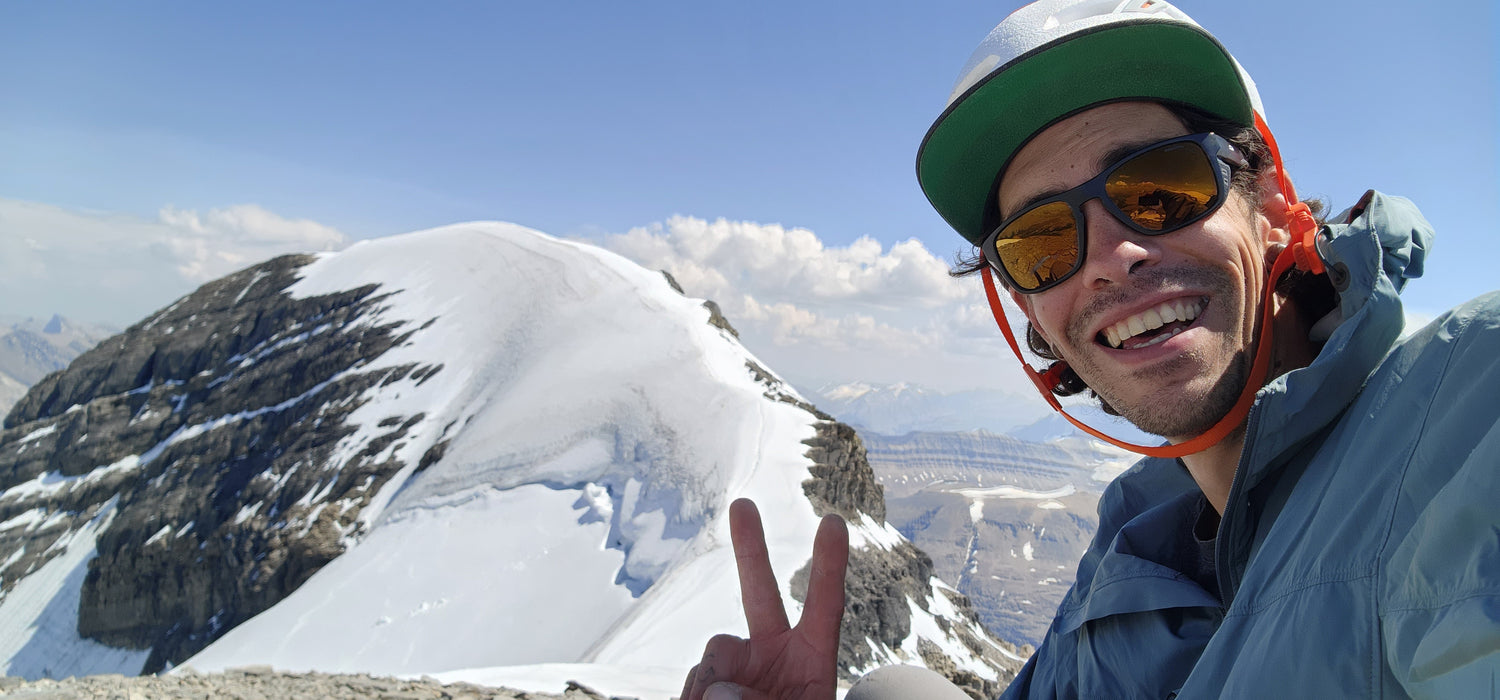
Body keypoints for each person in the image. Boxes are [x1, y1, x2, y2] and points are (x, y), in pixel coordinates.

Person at [680, 1, 1500, 698]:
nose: (1111, 257)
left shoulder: (1465, 411)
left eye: (1161, 187)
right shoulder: (1135, 533)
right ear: (1032, 314)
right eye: (1042, 242)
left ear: (1271, 207)